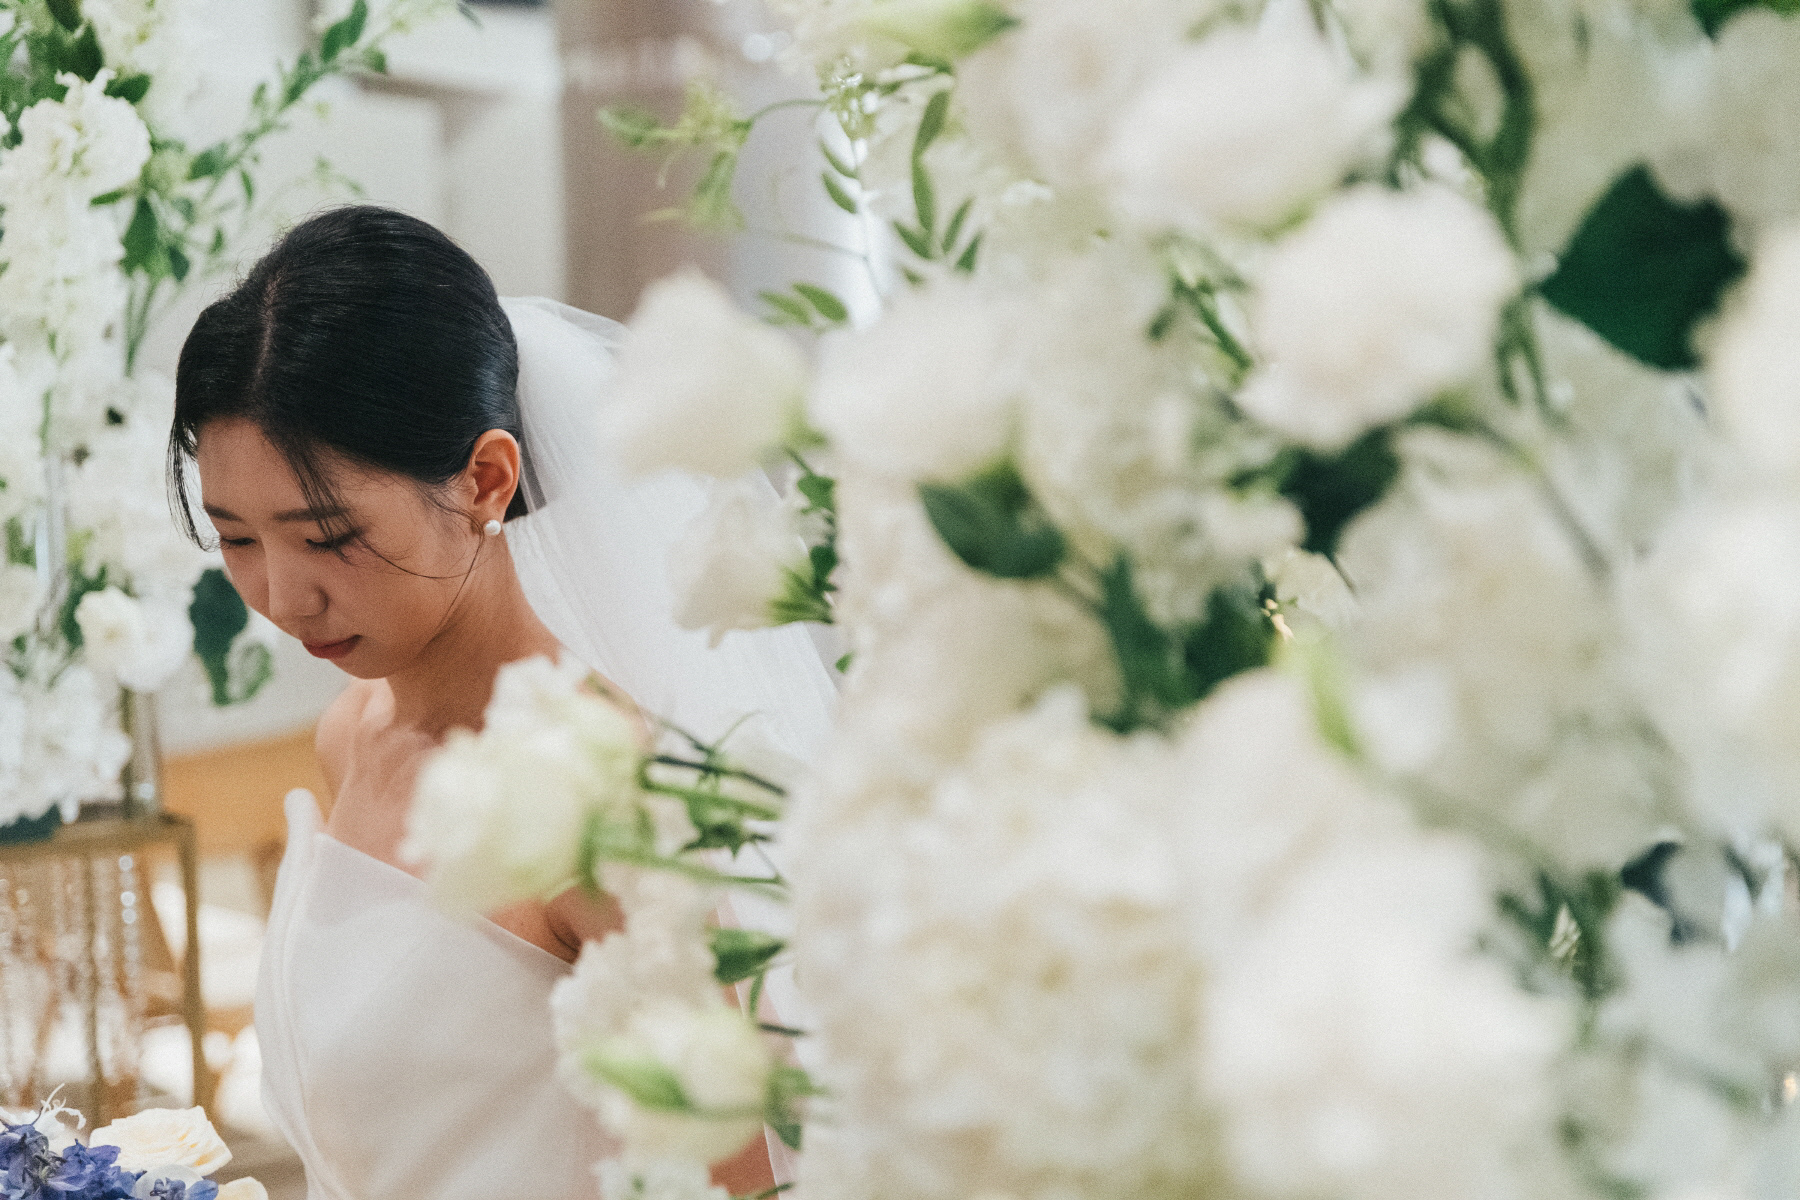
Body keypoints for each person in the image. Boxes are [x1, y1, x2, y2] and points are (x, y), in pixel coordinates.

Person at [168, 206, 835, 1200]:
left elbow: (738, 1181)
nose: (282, 597)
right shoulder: (353, 738)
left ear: (485, 480)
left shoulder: (604, 795)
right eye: (237, 539)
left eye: (328, 537)